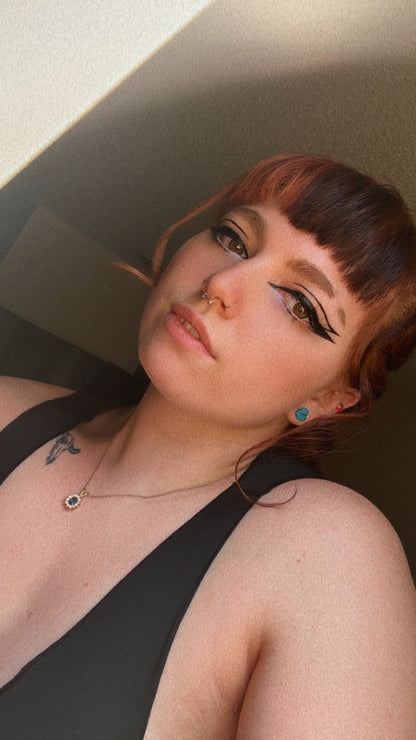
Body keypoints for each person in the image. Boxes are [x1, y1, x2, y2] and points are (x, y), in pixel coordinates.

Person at [0, 154, 415, 738]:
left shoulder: (329, 553)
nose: (221, 283)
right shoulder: (5, 406)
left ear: (329, 398)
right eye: (234, 239)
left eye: (300, 305)